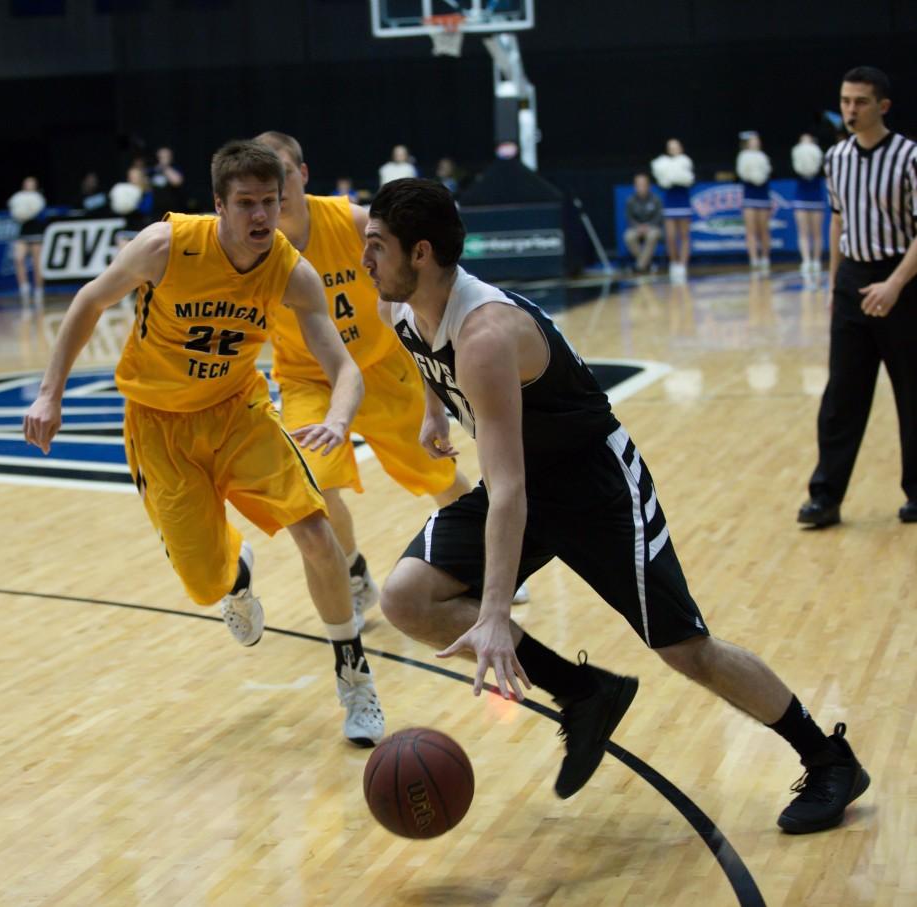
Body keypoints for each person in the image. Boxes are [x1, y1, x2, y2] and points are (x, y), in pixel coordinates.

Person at [365, 177, 869, 834]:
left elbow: (508, 489)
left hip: (596, 485)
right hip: (529, 478)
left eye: (376, 247)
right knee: (406, 597)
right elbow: (427, 362)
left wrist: (494, 615)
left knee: (688, 650)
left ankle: (829, 759)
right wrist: (436, 410)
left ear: (422, 253)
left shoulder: (486, 333)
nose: (365, 259)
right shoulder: (400, 309)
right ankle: (585, 692)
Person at [23, 139, 385, 746]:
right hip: (159, 424)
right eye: (245, 204)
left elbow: (344, 368)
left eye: (269, 202)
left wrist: (340, 419)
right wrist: (50, 393)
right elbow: (89, 300)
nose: (262, 217)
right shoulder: (165, 247)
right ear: (219, 205)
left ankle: (353, 672)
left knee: (315, 531)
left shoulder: (290, 270)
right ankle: (236, 579)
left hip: (238, 410)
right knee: (204, 580)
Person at [255, 131, 528, 624]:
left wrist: (434, 393)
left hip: (380, 367)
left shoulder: (351, 220)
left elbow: (424, 263)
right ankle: (355, 574)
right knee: (314, 489)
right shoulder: (251, 242)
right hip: (307, 380)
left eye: (285, 173)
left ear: (303, 173)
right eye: (266, 179)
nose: (278, 188)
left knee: (440, 474)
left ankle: (490, 563)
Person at [798, 66, 917, 528]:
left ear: (882, 106)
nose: (850, 109)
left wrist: (894, 285)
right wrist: (834, 285)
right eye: (845, 101)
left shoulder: (909, 157)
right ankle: (825, 496)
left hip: (901, 282)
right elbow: (837, 221)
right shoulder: (837, 157)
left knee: (911, 393)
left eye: (860, 102)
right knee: (841, 396)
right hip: (851, 281)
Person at [650, 139, 694, 282]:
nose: (674, 149)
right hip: (670, 203)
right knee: (670, 236)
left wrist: (682, 178)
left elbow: (691, 180)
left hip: (683, 201)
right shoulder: (662, 164)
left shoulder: (686, 162)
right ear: (668, 150)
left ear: (681, 148)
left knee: (684, 236)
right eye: (671, 147)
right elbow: (661, 183)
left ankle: (683, 265)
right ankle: (674, 263)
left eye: (676, 147)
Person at [8, 176, 48, 312]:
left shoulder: (39, 200)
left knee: (37, 264)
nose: (28, 186)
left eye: (31, 184)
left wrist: (33, 211)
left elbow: (42, 217)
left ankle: (38, 292)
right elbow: (15, 214)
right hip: (23, 233)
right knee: (18, 259)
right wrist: (21, 213)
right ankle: (24, 290)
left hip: (36, 233)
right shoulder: (18, 199)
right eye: (26, 184)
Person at [791, 134, 826, 280]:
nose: (805, 143)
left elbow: (823, 172)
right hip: (801, 198)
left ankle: (817, 261)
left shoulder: (820, 158)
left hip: (816, 198)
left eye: (808, 140)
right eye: (802, 140)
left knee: (817, 232)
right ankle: (806, 261)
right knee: (803, 232)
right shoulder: (796, 157)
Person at [736, 133, 773, 272]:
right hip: (749, 196)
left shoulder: (764, 157)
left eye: (756, 140)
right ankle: (754, 260)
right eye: (752, 141)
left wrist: (761, 176)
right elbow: (742, 173)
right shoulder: (742, 157)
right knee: (750, 230)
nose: (755, 143)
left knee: (764, 229)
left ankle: (765, 258)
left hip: (763, 196)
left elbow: (768, 173)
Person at [622, 173, 663, 275]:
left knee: (652, 235)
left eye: (643, 185)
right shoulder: (630, 200)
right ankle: (646, 265)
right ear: (635, 186)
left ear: (648, 186)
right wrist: (638, 227)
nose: (641, 187)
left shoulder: (656, 199)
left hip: (653, 228)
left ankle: (639, 266)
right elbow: (629, 218)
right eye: (638, 185)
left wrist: (648, 226)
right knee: (628, 236)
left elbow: (659, 217)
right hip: (636, 228)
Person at [148, 146, 185, 219]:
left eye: (166, 156)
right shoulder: (152, 170)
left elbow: (177, 182)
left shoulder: (175, 169)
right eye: (161, 157)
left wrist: (165, 167)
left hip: (173, 210)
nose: (164, 159)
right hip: (155, 210)